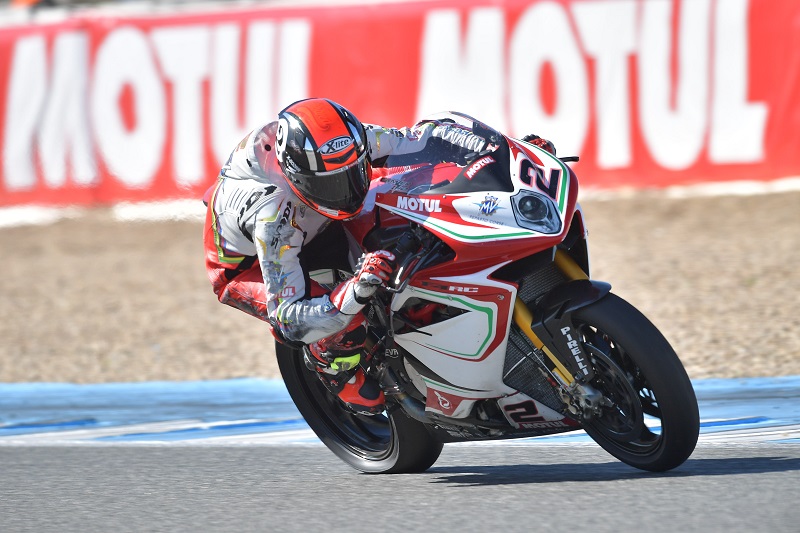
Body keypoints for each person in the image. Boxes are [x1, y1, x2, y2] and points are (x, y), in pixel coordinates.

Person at [203, 98, 555, 415]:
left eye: (352, 173)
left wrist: (510, 153)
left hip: (316, 217)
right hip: (251, 265)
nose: (346, 191)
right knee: (345, 323)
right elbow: (289, 319)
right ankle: (333, 367)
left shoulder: (350, 142)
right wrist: (354, 290)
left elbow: (425, 138)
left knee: (416, 187)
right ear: (299, 177)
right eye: (331, 184)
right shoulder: (273, 219)